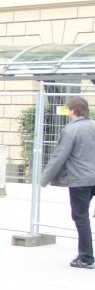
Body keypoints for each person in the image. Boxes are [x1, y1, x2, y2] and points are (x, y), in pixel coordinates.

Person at [41, 95, 95, 269]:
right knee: (84, 217)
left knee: (80, 217)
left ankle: (86, 258)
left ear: (72, 110)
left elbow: (59, 157)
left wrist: (45, 178)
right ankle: (85, 254)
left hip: (80, 180)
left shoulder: (70, 130)